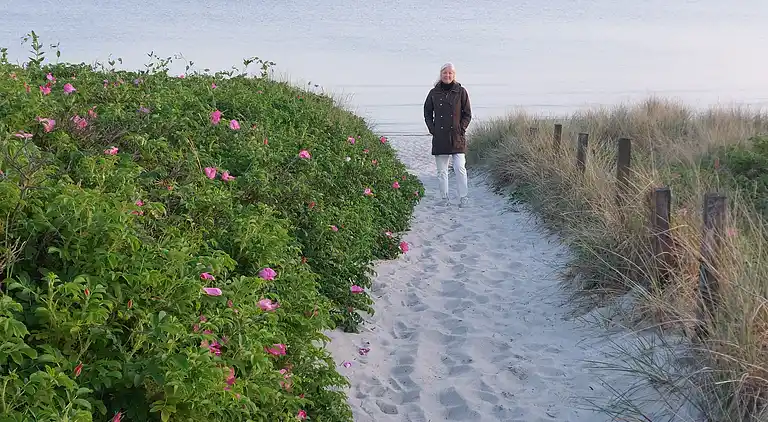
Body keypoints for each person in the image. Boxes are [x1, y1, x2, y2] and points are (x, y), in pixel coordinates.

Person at [423, 62, 472, 207]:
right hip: (440, 137)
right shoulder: (433, 92)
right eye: (445, 73)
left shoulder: (461, 91)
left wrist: (461, 128)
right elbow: (427, 112)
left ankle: (463, 197)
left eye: (450, 73)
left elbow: (467, 114)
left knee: (459, 167)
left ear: (454, 75)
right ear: (441, 74)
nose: (447, 75)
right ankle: (444, 198)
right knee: (442, 171)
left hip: (457, 136)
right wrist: (433, 129)